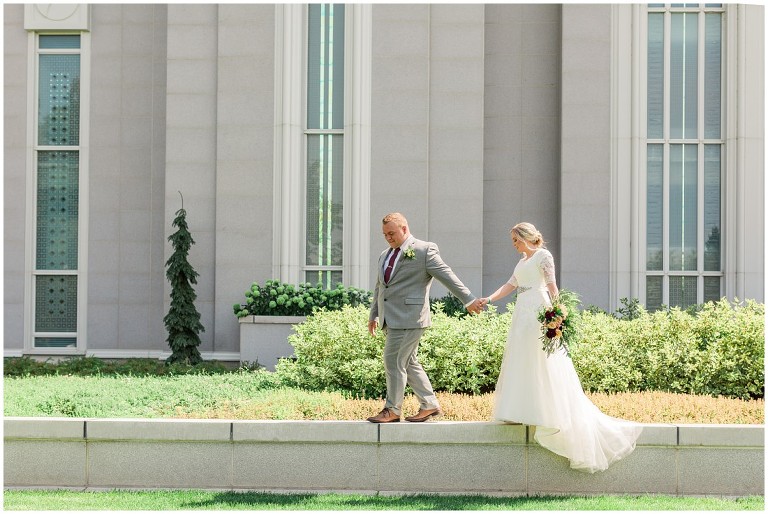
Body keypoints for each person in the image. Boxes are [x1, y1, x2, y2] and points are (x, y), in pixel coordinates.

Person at [480, 222, 642, 472]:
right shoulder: (522, 261)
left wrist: (557, 314)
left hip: (538, 308)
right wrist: (489, 299)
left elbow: (552, 286)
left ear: (525, 236)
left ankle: (548, 411)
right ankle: (521, 409)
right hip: (522, 312)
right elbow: (510, 285)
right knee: (522, 359)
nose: (513, 244)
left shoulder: (543, 256)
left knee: (542, 360)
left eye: (515, 239)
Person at [367, 212, 484, 423]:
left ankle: (392, 410)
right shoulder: (384, 254)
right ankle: (429, 405)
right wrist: (374, 314)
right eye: (385, 234)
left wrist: (468, 300)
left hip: (411, 317)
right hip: (390, 317)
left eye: (392, 233)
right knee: (408, 362)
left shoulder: (424, 250)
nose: (389, 238)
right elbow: (380, 287)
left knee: (393, 360)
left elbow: (447, 275)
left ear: (404, 228)